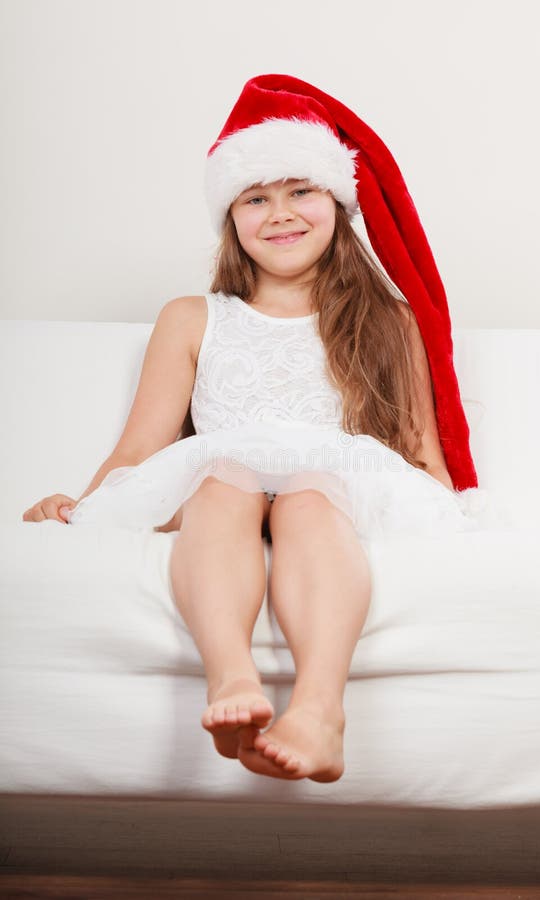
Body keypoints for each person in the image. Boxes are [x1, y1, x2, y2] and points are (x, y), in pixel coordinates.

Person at [22, 74, 483, 783]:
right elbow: (141, 448)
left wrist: (427, 504)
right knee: (223, 482)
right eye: (255, 198)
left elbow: (424, 452)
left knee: (307, 495)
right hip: (222, 483)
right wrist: (84, 506)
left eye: (301, 190)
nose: (280, 214)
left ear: (337, 201)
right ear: (230, 217)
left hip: (329, 491)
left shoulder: (389, 322)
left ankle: (320, 711)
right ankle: (231, 679)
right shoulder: (191, 317)